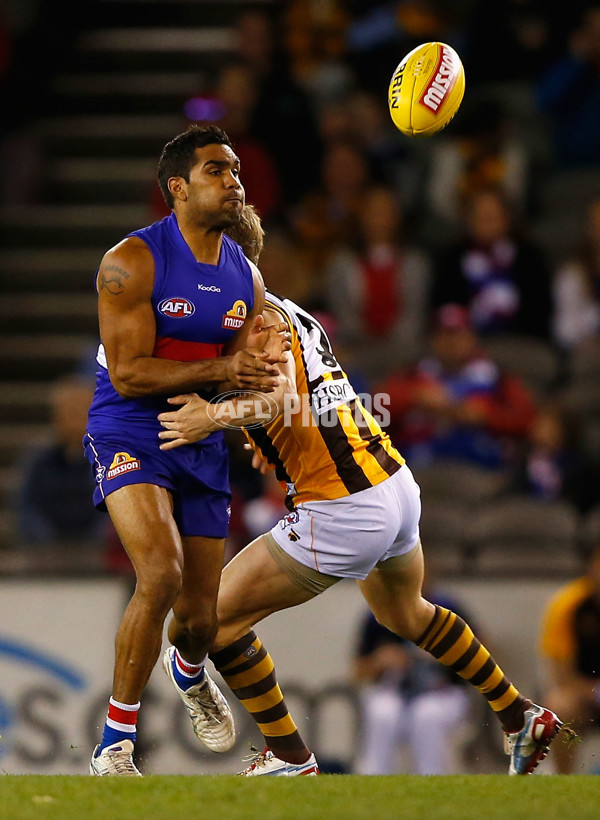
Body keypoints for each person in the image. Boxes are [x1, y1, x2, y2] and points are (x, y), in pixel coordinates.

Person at [157, 203, 566, 777]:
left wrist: (211, 418)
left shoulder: (251, 322)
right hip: (391, 484)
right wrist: (262, 435)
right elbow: (301, 401)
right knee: (408, 614)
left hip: (343, 506)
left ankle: (289, 756)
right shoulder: (288, 312)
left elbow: (275, 398)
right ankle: (517, 712)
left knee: (210, 620)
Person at [84, 125, 289, 776]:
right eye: (216, 171)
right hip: (129, 425)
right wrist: (224, 378)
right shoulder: (131, 262)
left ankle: (190, 670)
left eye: (235, 170)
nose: (235, 181)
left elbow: (241, 377)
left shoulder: (246, 276)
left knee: (201, 619)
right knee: (161, 573)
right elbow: (129, 375)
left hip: (199, 434)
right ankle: (114, 745)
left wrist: (248, 424)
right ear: (177, 188)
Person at [375, 302, 537, 472]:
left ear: (472, 338)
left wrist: (485, 416)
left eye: (458, 335)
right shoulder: (413, 372)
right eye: (444, 335)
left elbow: (527, 419)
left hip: (478, 463)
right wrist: (414, 397)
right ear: (432, 339)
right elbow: (372, 413)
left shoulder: (497, 376)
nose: (451, 343)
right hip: (420, 460)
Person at [352, 585, 476, 775]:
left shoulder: (446, 608)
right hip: (393, 690)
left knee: (427, 714)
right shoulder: (378, 614)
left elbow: (483, 651)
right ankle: (374, 777)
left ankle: (433, 778)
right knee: (383, 712)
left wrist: (448, 654)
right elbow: (357, 671)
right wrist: (380, 660)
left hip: (440, 692)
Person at [15, 374, 107, 548]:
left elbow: (112, 516)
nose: (75, 419)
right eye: (69, 412)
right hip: (46, 555)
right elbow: (27, 510)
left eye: (82, 411)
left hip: (95, 554)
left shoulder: (107, 462)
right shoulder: (37, 463)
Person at [538, 541, 600, 773]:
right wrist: (594, 692)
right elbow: (562, 676)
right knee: (559, 705)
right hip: (585, 696)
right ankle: (565, 778)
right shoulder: (569, 604)